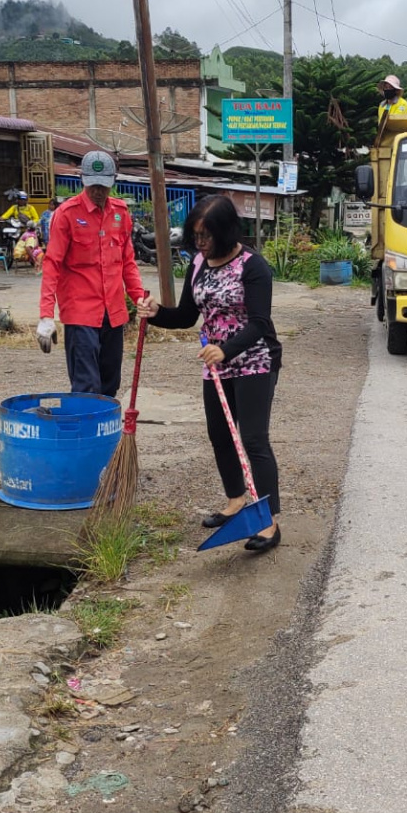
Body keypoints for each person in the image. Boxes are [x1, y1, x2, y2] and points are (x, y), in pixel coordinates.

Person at [137, 195, 282, 555]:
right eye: (195, 235)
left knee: (253, 439)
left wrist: (227, 348)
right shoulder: (199, 263)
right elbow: (187, 315)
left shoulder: (253, 266)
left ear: (226, 230)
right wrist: (155, 312)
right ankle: (235, 500)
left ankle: (269, 521)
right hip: (216, 363)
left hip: (254, 360)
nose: (200, 243)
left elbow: (260, 324)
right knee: (219, 435)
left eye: (207, 235)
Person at [37, 151, 143, 397]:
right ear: (83, 180)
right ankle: (84, 436)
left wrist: (138, 297)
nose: (98, 191)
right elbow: (52, 264)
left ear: (112, 182)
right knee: (86, 387)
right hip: (80, 313)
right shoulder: (67, 214)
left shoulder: (120, 212)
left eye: (103, 186)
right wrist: (45, 315)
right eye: (93, 185)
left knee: (109, 386)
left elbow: (127, 261)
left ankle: (107, 435)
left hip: (114, 313)